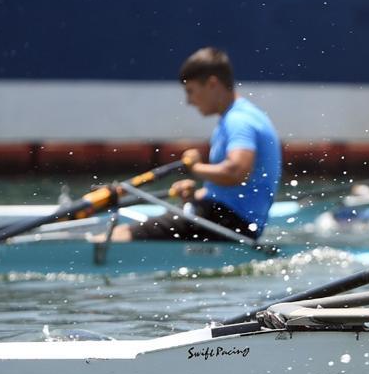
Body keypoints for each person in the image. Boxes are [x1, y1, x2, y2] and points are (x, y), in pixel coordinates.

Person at [109, 47, 281, 242]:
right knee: (133, 229)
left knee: (121, 234)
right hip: (229, 219)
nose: (189, 101)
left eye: (191, 91)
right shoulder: (236, 117)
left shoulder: (239, 120)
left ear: (212, 84)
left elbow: (236, 172)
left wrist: (195, 168)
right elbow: (232, 189)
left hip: (228, 222)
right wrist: (195, 196)